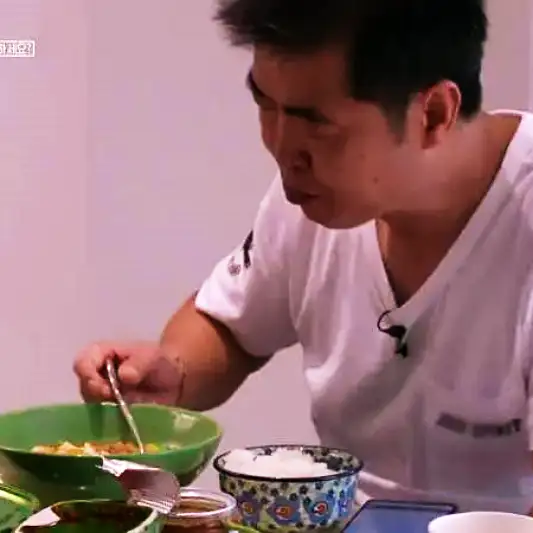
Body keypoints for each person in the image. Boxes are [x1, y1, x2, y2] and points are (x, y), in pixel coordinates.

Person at [74, 0, 533, 514]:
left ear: (433, 114)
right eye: (265, 104)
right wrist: (173, 374)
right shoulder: (317, 198)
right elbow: (229, 325)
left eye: (316, 122)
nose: (281, 147)